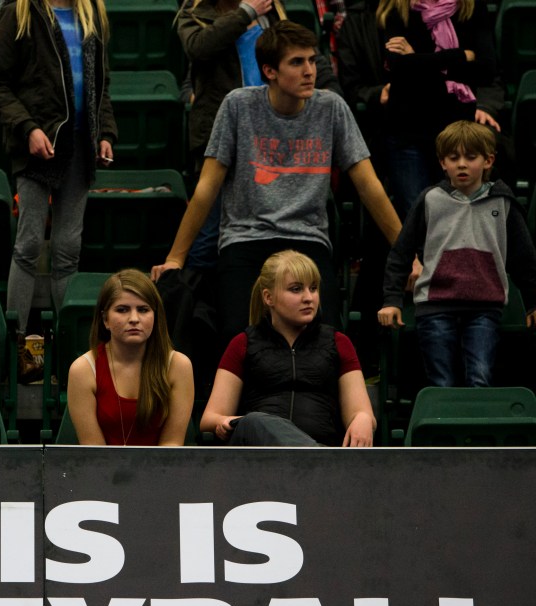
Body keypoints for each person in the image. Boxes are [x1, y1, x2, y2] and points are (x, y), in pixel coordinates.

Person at [151, 21, 401, 377]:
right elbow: (207, 187)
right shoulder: (238, 106)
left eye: (312, 60)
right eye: (297, 62)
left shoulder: (331, 108)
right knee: (237, 339)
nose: (310, 71)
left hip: (307, 239)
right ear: (269, 71)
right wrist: (175, 258)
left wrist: (409, 255)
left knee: (325, 340)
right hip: (245, 239)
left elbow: (369, 186)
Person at [0, 0, 116, 381]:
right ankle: (23, 356)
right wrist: (27, 127)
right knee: (27, 247)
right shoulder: (20, 12)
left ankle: (71, 357)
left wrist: (105, 132)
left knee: (67, 252)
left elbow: (101, 87)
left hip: (79, 148)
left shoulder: (92, 13)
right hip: (37, 147)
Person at [176, 0, 342, 269]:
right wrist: (246, 13)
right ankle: (198, 294)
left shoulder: (271, 11)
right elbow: (199, 48)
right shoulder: (197, 12)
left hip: (272, 140)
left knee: (268, 234)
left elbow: (303, 54)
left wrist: (330, 89)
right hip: (223, 138)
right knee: (208, 237)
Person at [378, 121, 536, 387]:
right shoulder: (430, 199)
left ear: (488, 161)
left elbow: (525, 259)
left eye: (471, 157)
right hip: (435, 306)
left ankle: (475, 418)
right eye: (453, 158)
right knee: (441, 382)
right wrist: (391, 300)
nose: (462, 164)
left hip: (485, 308)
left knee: (480, 378)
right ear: (442, 162)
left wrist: (533, 302)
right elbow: (401, 253)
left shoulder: (503, 202)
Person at [200, 250, 376, 446]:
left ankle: (310, 455)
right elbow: (210, 418)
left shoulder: (338, 342)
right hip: (259, 455)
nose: (309, 298)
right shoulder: (243, 343)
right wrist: (224, 421)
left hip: (321, 451)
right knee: (253, 420)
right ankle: (311, 455)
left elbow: (362, 411)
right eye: (296, 289)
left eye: (313, 288)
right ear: (268, 297)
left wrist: (363, 418)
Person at [375, 0, 500, 218]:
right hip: (408, 132)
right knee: (418, 219)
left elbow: (486, 70)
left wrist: (415, 58)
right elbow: (398, 68)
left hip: (457, 136)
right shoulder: (398, 7)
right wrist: (461, 56)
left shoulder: (471, 7)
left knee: (457, 219)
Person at [67, 269, 194, 445]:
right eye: (122, 310)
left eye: (143, 310)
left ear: (155, 316)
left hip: (162, 463)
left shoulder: (178, 366)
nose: (134, 318)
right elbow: (94, 452)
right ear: (105, 319)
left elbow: (171, 446)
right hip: (102, 463)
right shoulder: (83, 370)